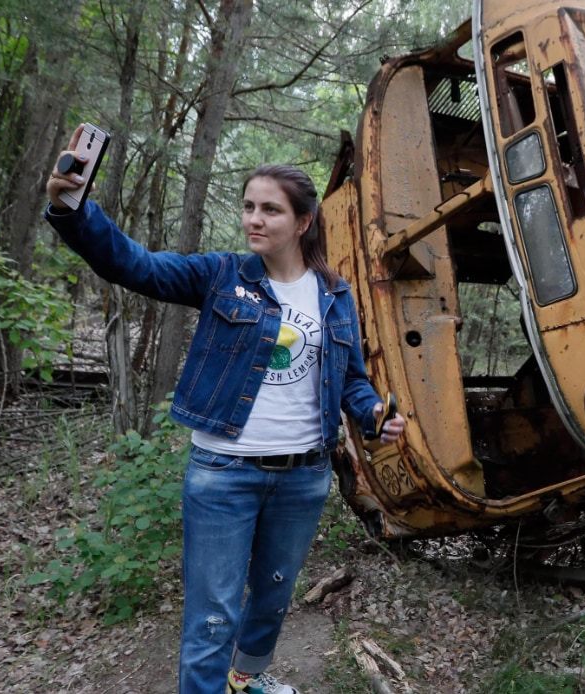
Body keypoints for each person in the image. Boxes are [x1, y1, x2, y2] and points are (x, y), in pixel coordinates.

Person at [43, 125, 406, 694]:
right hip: (223, 475)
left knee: (274, 597)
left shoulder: (335, 295)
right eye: (248, 207)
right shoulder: (221, 277)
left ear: (303, 221)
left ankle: (245, 681)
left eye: (270, 209)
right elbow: (134, 265)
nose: (254, 219)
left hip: (304, 476)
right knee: (212, 615)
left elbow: (352, 381)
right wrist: (73, 211)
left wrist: (374, 415)